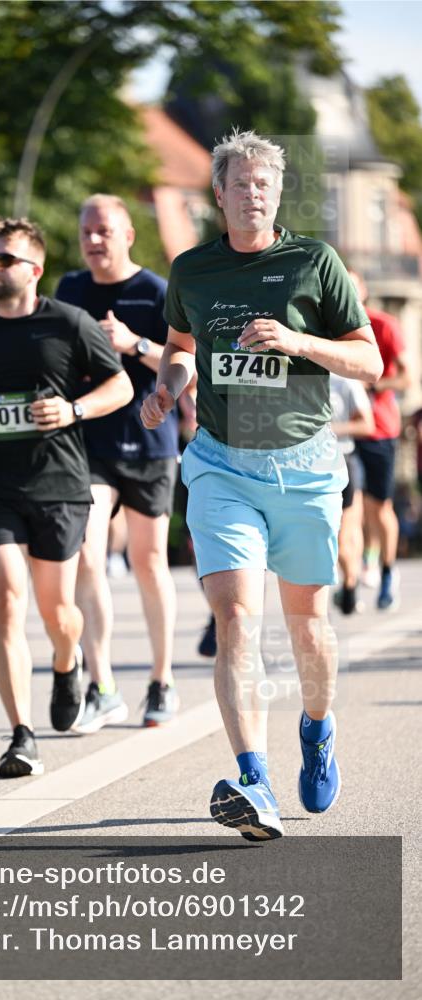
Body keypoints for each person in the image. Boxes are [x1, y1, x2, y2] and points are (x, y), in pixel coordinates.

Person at [141, 129, 382, 841]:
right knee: (236, 618)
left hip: (304, 466)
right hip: (220, 462)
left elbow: (366, 361)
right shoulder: (192, 270)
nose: (252, 193)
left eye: (264, 185)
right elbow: (182, 348)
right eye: (240, 183)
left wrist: (296, 341)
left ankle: (316, 727)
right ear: (217, 193)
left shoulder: (314, 261)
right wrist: (166, 384)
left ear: (276, 195)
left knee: (307, 626)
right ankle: (253, 777)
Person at [0, 216, 132, 778]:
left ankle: (68, 663)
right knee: (6, 597)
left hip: (58, 487)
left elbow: (121, 385)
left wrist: (74, 409)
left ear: (34, 269)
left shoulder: (70, 323)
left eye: (4, 259)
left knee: (58, 612)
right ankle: (21, 735)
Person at [56, 194, 180, 730]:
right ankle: (101, 684)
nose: (93, 240)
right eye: (86, 231)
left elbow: (185, 364)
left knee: (148, 562)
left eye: (104, 230)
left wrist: (135, 344)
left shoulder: (155, 291)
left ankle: (162, 678)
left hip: (149, 441)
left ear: (128, 234)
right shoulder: (70, 290)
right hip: (89, 442)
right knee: (87, 554)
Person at [348, 271, 411, 610]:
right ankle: (352, 576)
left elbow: (406, 377)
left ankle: (386, 570)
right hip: (343, 430)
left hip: (380, 429)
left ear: (364, 291)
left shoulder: (383, 325)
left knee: (378, 507)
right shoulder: (329, 329)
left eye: (353, 286)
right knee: (350, 508)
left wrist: (374, 385)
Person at [329, 373, 375, 614]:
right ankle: (348, 583)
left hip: (342, 460)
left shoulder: (344, 380)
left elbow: (367, 425)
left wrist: (325, 428)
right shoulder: (295, 371)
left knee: (344, 535)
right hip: (304, 464)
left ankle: (349, 585)